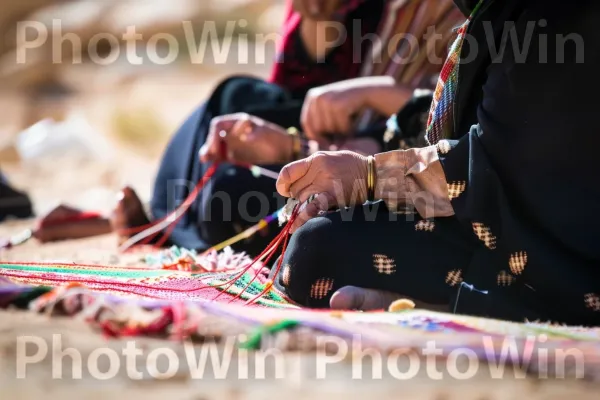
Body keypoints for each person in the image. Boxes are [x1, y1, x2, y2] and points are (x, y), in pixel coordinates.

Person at [273, 0, 600, 326]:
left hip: (561, 251)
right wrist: (364, 152)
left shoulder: (561, 16)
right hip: (493, 216)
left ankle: (466, 302)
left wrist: (370, 177)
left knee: (319, 249)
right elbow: (468, 125)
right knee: (312, 230)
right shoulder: (502, 14)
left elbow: (492, 167)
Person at [111, 0, 464, 255]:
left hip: (403, 154)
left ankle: (171, 227)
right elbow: (300, 90)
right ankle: (168, 219)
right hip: (337, 136)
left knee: (228, 196)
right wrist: (316, 20)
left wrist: (371, 93)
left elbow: (452, 123)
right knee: (238, 96)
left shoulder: (472, 14)